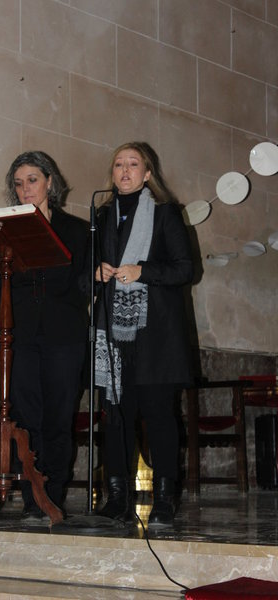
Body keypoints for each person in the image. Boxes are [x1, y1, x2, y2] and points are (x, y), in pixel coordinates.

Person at [94, 141, 193, 528]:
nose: (124, 170)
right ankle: (117, 498)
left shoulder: (166, 213)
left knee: (159, 414)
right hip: (114, 332)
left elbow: (185, 269)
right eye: (118, 164)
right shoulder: (102, 215)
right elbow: (84, 274)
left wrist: (143, 271)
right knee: (116, 416)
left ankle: (165, 499)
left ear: (148, 174)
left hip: (155, 336)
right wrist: (96, 273)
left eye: (133, 164)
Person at [0, 151, 89, 519]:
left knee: (58, 417)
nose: (25, 188)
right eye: (18, 183)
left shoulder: (77, 230)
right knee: (25, 418)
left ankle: (53, 495)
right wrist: (12, 323)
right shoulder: (4, 229)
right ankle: (33, 500)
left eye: (32, 180)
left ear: (50, 181)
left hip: (65, 335)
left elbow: (84, 285)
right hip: (21, 336)